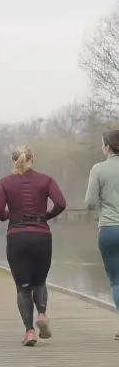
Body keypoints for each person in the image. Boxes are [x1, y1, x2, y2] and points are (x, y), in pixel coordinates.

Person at [0, 146, 66, 346]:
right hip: (42, 235)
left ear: (13, 161)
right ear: (32, 159)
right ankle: (41, 313)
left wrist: (13, 216)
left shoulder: (5, 183)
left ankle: (30, 331)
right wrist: (46, 216)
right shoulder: (46, 180)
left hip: (17, 237)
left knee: (23, 287)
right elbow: (61, 202)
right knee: (40, 281)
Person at [85, 130, 119, 339]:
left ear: (107, 147)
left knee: (117, 280)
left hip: (109, 229)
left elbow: (89, 203)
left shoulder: (99, 169)